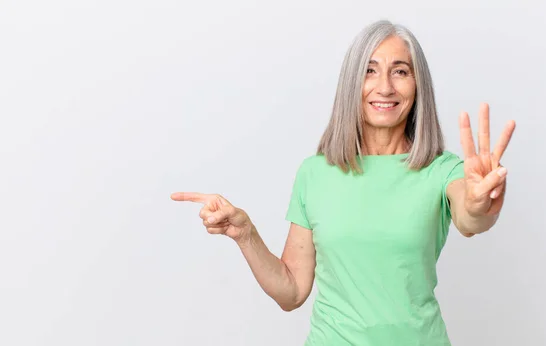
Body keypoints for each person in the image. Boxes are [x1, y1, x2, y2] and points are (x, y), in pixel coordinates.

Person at [171, 19, 515, 346]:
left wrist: (480, 202)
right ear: (352, 83)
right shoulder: (315, 173)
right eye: (370, 70)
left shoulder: (442, 170)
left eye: (400, 71)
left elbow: (472, 218)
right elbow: (292, 292)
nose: (385, 87)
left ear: (417, 85)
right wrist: (246, 235)